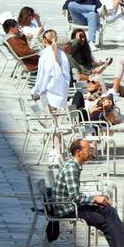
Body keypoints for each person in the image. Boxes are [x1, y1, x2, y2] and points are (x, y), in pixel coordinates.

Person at [52, 139, 124, 247]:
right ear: (78, 152)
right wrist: (94, 199)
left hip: (74, 205)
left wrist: (96, 199)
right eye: (88, 150)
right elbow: (74, 197)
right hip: (68, 209)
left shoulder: (75, 165)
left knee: (109, 210)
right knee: (103, 221)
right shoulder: (71, 167)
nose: (90, 152)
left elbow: (75, 195)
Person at [32, 29, 72, 161]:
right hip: (62, 93)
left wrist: (36, 92)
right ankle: (58, 148)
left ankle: (57, 151)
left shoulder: (44, 57)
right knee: (55, 123)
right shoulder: (63, 55)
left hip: (49, 94)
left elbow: (42, 77)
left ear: (44, 41)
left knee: (52, 123)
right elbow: (67, 76)